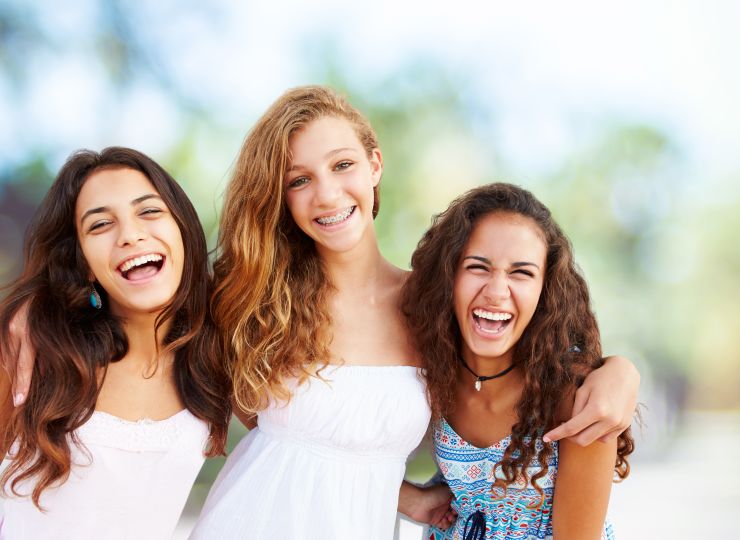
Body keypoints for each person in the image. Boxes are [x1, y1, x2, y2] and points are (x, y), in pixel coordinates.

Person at [4, 86, 641, 538]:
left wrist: (618, 370)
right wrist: (33, 312)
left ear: (374, 166)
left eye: (341, 166)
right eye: (299, 179)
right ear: (280, 197)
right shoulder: (251, 296)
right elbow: (136, 299)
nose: (327, 194)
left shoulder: (433, 305)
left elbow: (524, 363)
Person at [0, 147, 231, 540]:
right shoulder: (31, 352)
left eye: (149, 211)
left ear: (183, 230)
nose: (130, 235)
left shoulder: (217, 354)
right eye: (100, 225)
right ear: (84, 263)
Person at [403, 183, 634, 539]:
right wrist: (409, 498)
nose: (497, 292)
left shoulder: (578, 394)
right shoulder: (432, 366)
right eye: (478, 267)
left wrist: (622, 367)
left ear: (545, 292)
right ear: (448, 275)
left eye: (521, 273)